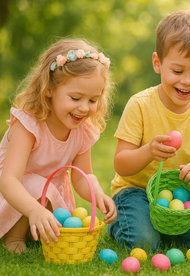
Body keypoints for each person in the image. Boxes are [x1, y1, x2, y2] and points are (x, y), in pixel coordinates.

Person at [108, 10, 190, 251]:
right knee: (145, 243)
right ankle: (119, 221)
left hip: (177, 193)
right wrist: (148, 151)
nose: (187, 81)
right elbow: (121, 164)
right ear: (158, 63)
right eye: (178, 71)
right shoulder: (140, 104)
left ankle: (163, 225)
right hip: (135, 191)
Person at [0, 38, 117, 253]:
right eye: (75, 98)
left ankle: (37, 229)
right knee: (35, 183)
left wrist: (97, 194)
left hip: (46, 198)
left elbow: (82, 175)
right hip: (12, 198)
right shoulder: (28, 124)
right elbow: (8, 181)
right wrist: (34, 210)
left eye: (93, 100)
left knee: (44, 191)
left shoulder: (82, 129)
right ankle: (13, 238)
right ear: (49, 89)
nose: (84, 108)